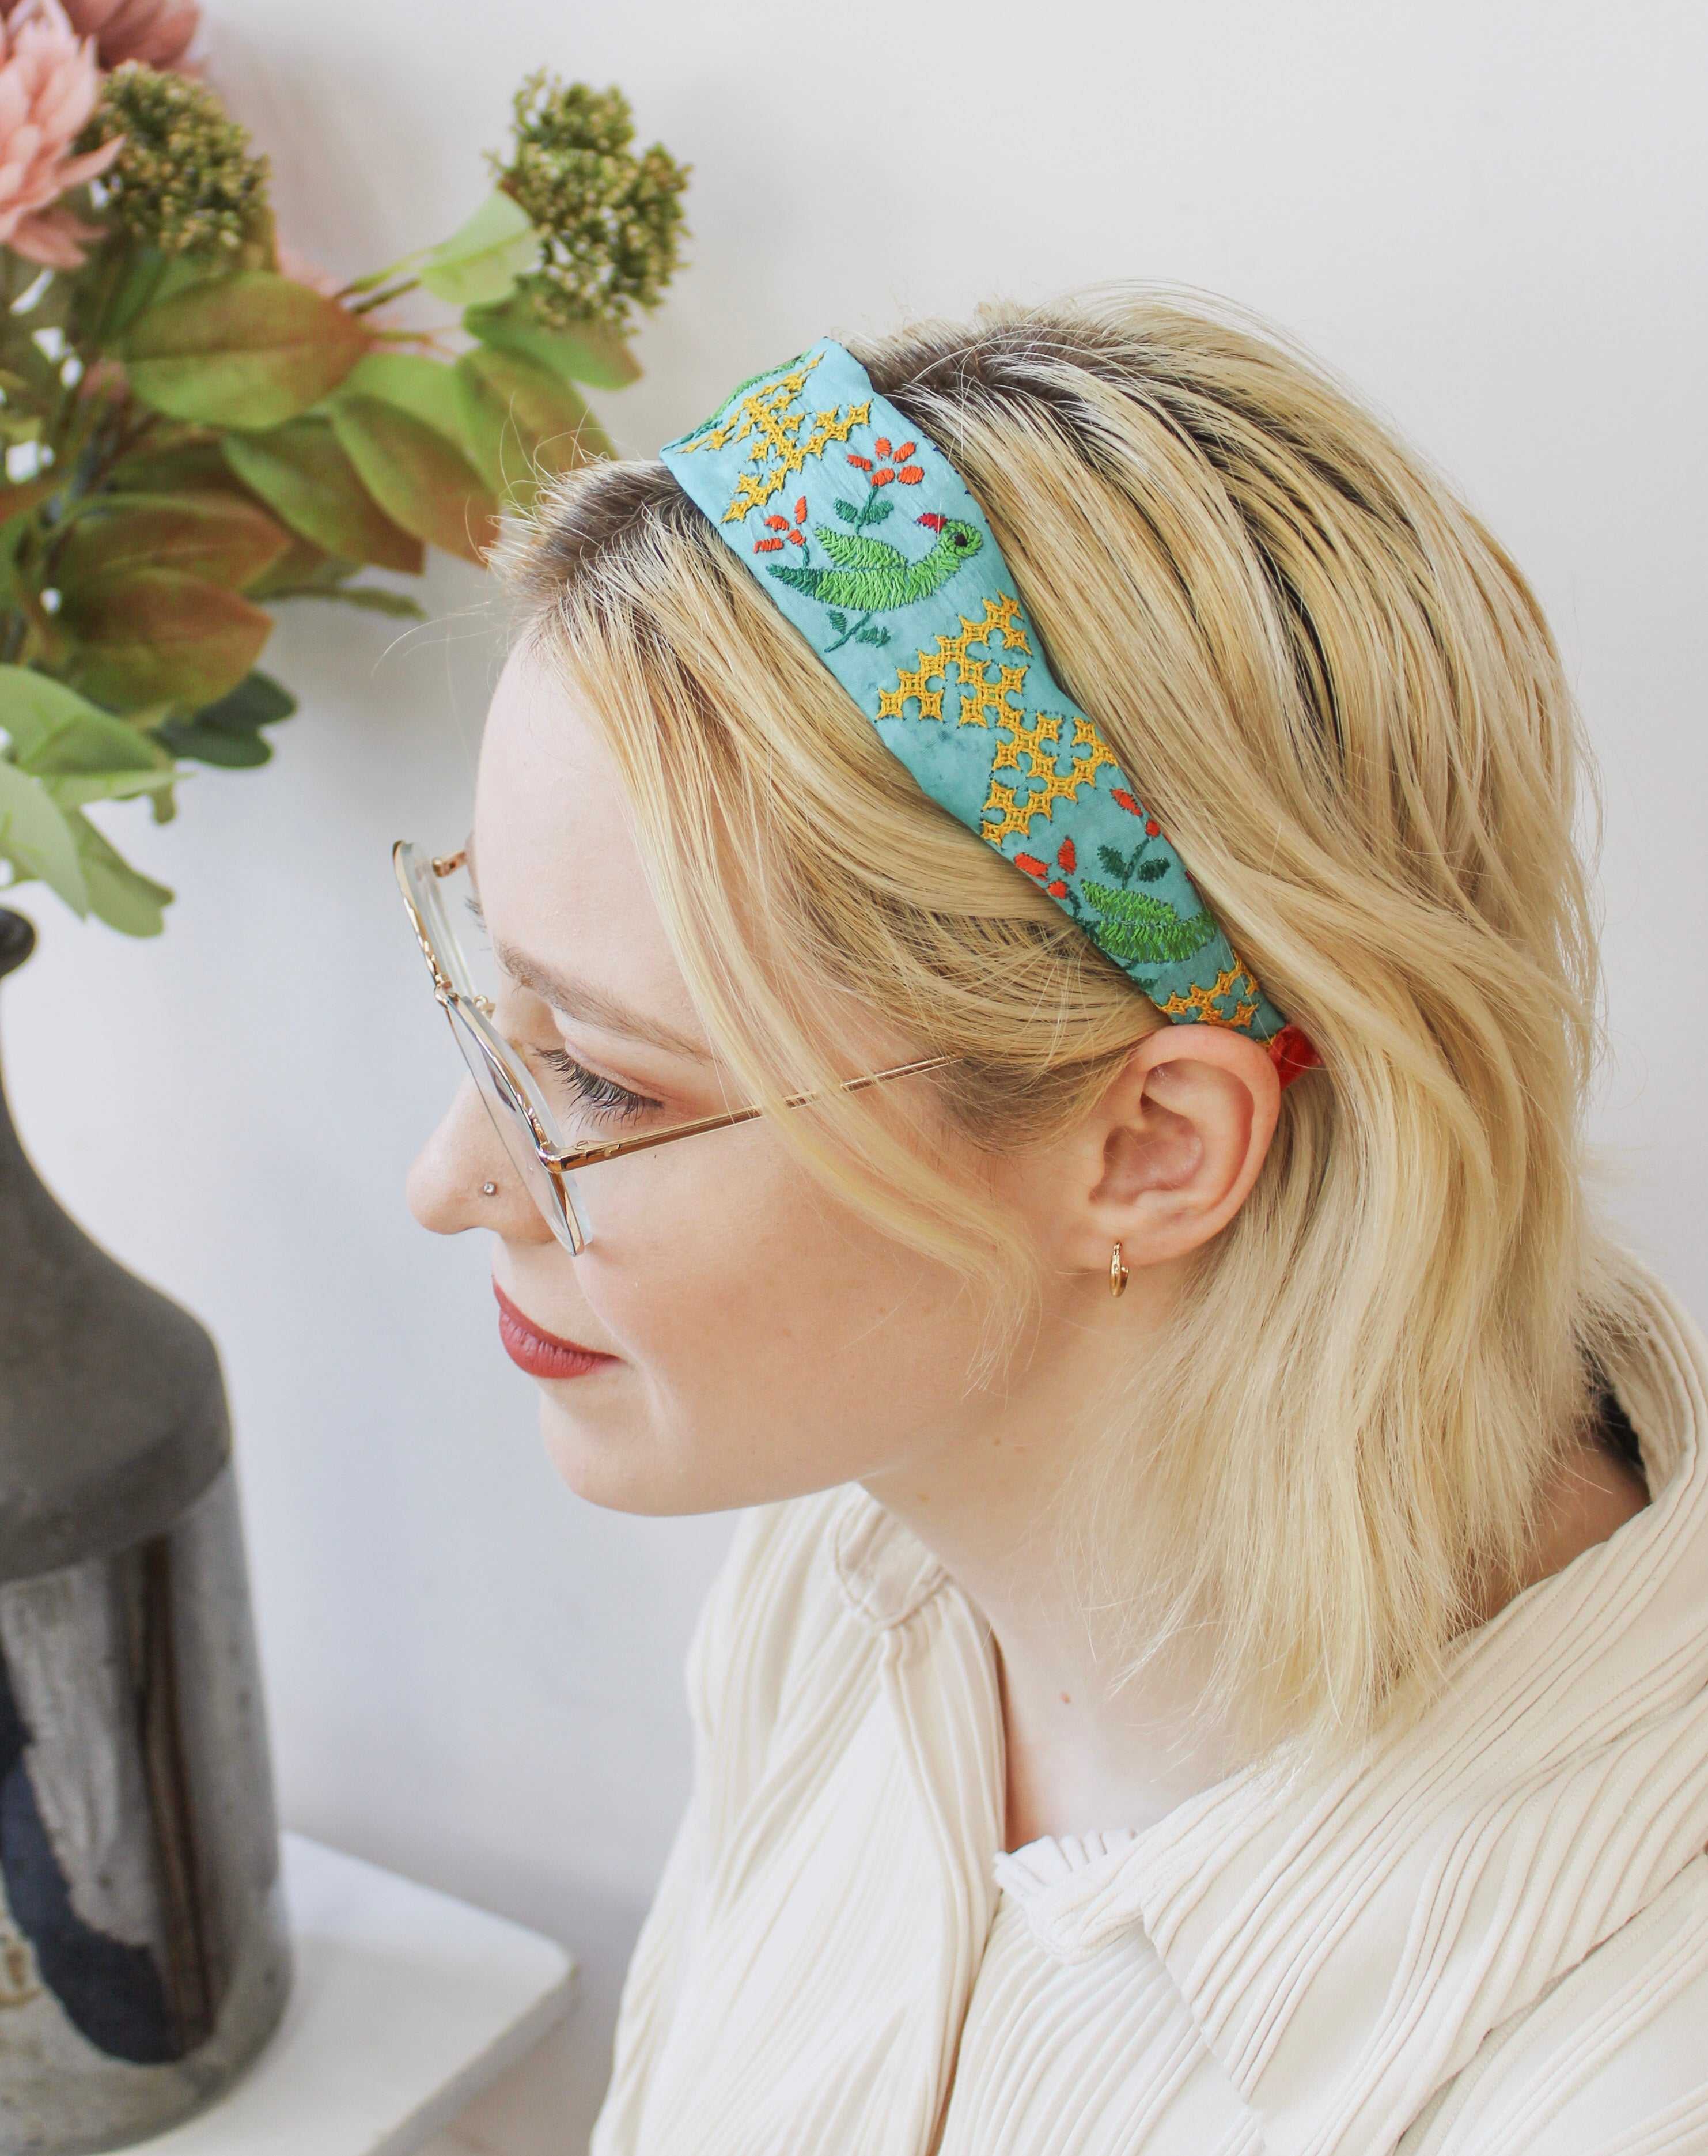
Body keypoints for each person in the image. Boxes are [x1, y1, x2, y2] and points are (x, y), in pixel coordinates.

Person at [402, 298, 1708, 2155]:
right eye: (491, 1005)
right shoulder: (848, 1574)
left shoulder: (1619, 2082)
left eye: (602, 1082)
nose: (451, 1174)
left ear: (1159, 1148)